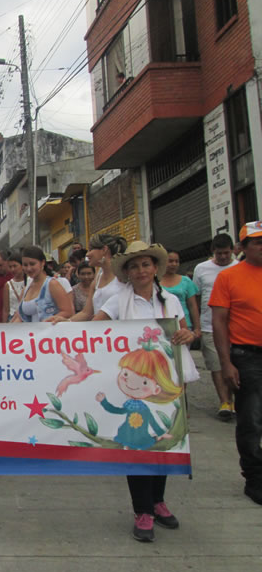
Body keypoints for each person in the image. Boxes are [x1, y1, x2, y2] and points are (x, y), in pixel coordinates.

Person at [93, 241, 195, 542]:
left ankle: (157, 500)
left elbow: (186, 330)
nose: (141, 271)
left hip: (166, 381)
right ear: (127, 271)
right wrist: (59, 326)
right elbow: (92, 328)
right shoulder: (117, 300)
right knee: (138, 445)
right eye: (135, 266)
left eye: (146, 265)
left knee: (162, 441)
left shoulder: (170, 301)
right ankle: (142, 510)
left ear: (155, 268)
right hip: (134, 385)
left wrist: (188, 334)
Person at [210, 221, 262, 505]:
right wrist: (226, 363)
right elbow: (219, 321)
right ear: (242, 248)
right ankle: (255, 478)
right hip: (247, 357)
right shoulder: (229, 278)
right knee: (251, 420)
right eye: (258, 242)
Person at [193, 233, 238, 420]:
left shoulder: (239, 267)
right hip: (209, 325)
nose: (223, 257)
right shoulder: (201, 269)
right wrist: (195, 324)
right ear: (213, 252)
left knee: (237, 364)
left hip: (236, 326)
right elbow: (195, 296)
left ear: (233, 251)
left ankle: (238, 400)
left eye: (226, 253)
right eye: (219, 253)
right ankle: (224, 402)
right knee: (216, 365)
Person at [58, 232, 128, 323]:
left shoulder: (122, 276)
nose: (87, 254)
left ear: (104, 250)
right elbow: (87, 313)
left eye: (90, 250)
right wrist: (66, 321)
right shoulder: (98, 278)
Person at [13, 247, 73, 323]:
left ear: (43, 263)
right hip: (30, 333)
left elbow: (68, 312)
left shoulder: (52, 284)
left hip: (50, 333)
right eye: (25, 265)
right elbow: (20, 317)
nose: (29, 268)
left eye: (32, 264)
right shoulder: (26, 288)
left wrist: (51, 321)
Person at [160, 250, 200, 336]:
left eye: (176, 261)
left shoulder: (186, 281)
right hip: (162, 324)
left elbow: (192, 306)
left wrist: (197, 328)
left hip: (184, 326)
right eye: (170, 261)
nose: (174, 264)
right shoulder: (155, 281)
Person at [3, 250, 27, 322]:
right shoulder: (8, 285)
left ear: (22, 265)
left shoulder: (30, 281)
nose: (13, 269)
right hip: (13, 318)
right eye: (10, 267)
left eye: (15, 266)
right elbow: (6, 309)